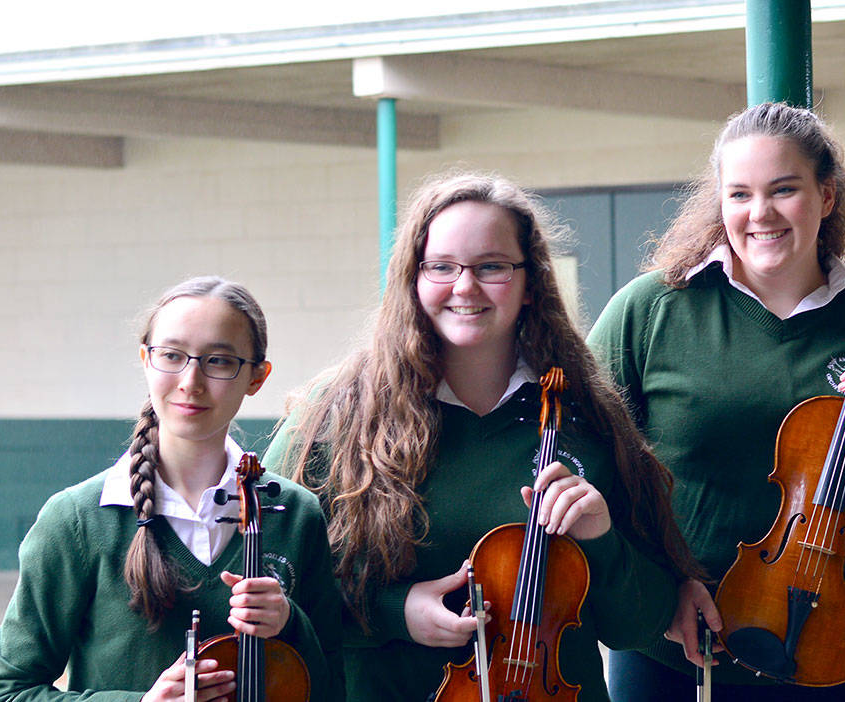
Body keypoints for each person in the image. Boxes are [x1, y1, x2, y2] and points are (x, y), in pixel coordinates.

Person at [264, 172, 703, 702]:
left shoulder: (589, 419)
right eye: (442, 267)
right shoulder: (334, 418)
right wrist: (393, 612)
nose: (465, 287)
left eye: (491, 266)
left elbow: (641, 626)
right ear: (412, 277)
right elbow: (271, 593)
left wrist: (601, 538)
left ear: (529, 280)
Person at [587, 101, 845, 700]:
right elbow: (585, 463)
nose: (760, 213)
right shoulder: (648, 310)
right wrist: (659, 589)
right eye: (739, 194)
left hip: (842, 648)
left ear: (827, 195)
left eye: (784, 189)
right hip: (679, 652)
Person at [0, 276, 344, 702]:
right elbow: (9, 692)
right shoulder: (76, 520)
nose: (191, 381)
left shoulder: (296, 513)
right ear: (146, 360)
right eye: (172, 355)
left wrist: (289, 623)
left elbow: (333, 688)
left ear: (257, 377)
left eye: (219, 361)